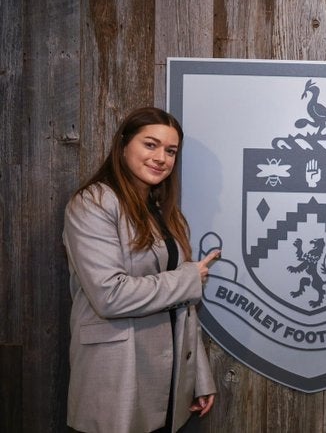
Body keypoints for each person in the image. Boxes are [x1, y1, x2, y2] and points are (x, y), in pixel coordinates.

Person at [63, 107, 221, 432]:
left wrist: (197, 378)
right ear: (123, 145)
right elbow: (110, 295)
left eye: (171, 151)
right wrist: (189, 277)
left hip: (168, 385)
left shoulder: (165, 213)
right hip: (116, 379)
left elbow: (184, 308)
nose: (161, 157)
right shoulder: (92, 204)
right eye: (150, 145)